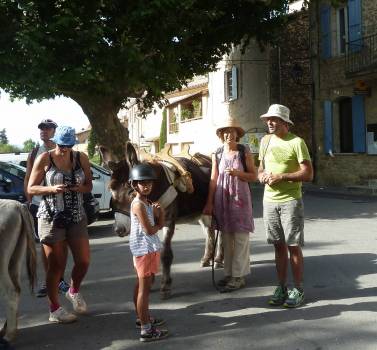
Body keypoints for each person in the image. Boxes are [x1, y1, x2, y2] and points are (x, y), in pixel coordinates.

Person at [28, 125, 93, 323]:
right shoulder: (45, 158)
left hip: (76, 215)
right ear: (56, 141)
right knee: (56, 266)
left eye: (69, 145)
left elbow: (88, 185)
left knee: (83, 261)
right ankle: (54, 309)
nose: (65, 149)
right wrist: (51, 188)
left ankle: (73, 291)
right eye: (62, 145)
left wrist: (78, 187)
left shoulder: (80, 158)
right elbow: (31, 187)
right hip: (50, 217)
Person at [258, 104, 313, 308]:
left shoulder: (297, 142)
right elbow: (260, 169)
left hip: (290, 201)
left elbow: (308, 174)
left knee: (293, 246)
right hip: (269, 201)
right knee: (278, 246)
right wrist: (262, 176)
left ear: (284, 122)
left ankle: (298, 289)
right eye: (267, 119)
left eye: (274, 119)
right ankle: (281, 287)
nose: (269, 122)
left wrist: (283, 176)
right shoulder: (265, 141)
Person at [203, 118, 257, 292]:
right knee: (226, 239)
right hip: (222, 198)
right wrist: (209, 203)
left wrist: (237, 173)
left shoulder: (244, 151)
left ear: (237, 134)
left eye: (232, 131)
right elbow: (213, 179)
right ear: (221, 135)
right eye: (225, 132)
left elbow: (253, 176)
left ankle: (238, 276)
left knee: (240, 238)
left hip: (240, 198)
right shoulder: (217, 153)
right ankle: (229, 274)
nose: (229, 134)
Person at [24, 118, 70, 298]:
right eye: (41, 128)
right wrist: (29, 200)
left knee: (62, 243)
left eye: (48, 128)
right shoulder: (35, 152)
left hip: (61, 203)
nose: (43, 131)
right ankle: (49, 280)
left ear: (55, 131)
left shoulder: (62, 149)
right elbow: (28, 178)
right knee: (46, 245)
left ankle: (61, 279)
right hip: (39, 204)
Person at [129, 163, 168, 342]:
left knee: (143, 285)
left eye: (149, 183)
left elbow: (158, 223)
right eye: (142, 183)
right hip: (144, 250)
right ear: (134, 184)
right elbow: (151, 230)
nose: (147, 186)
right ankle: (146, 329)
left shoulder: (147, 202)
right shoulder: (138, 205)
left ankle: (141, 318)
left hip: (149, 249)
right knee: (144, 291)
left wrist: (159, 213)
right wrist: (160, 220)